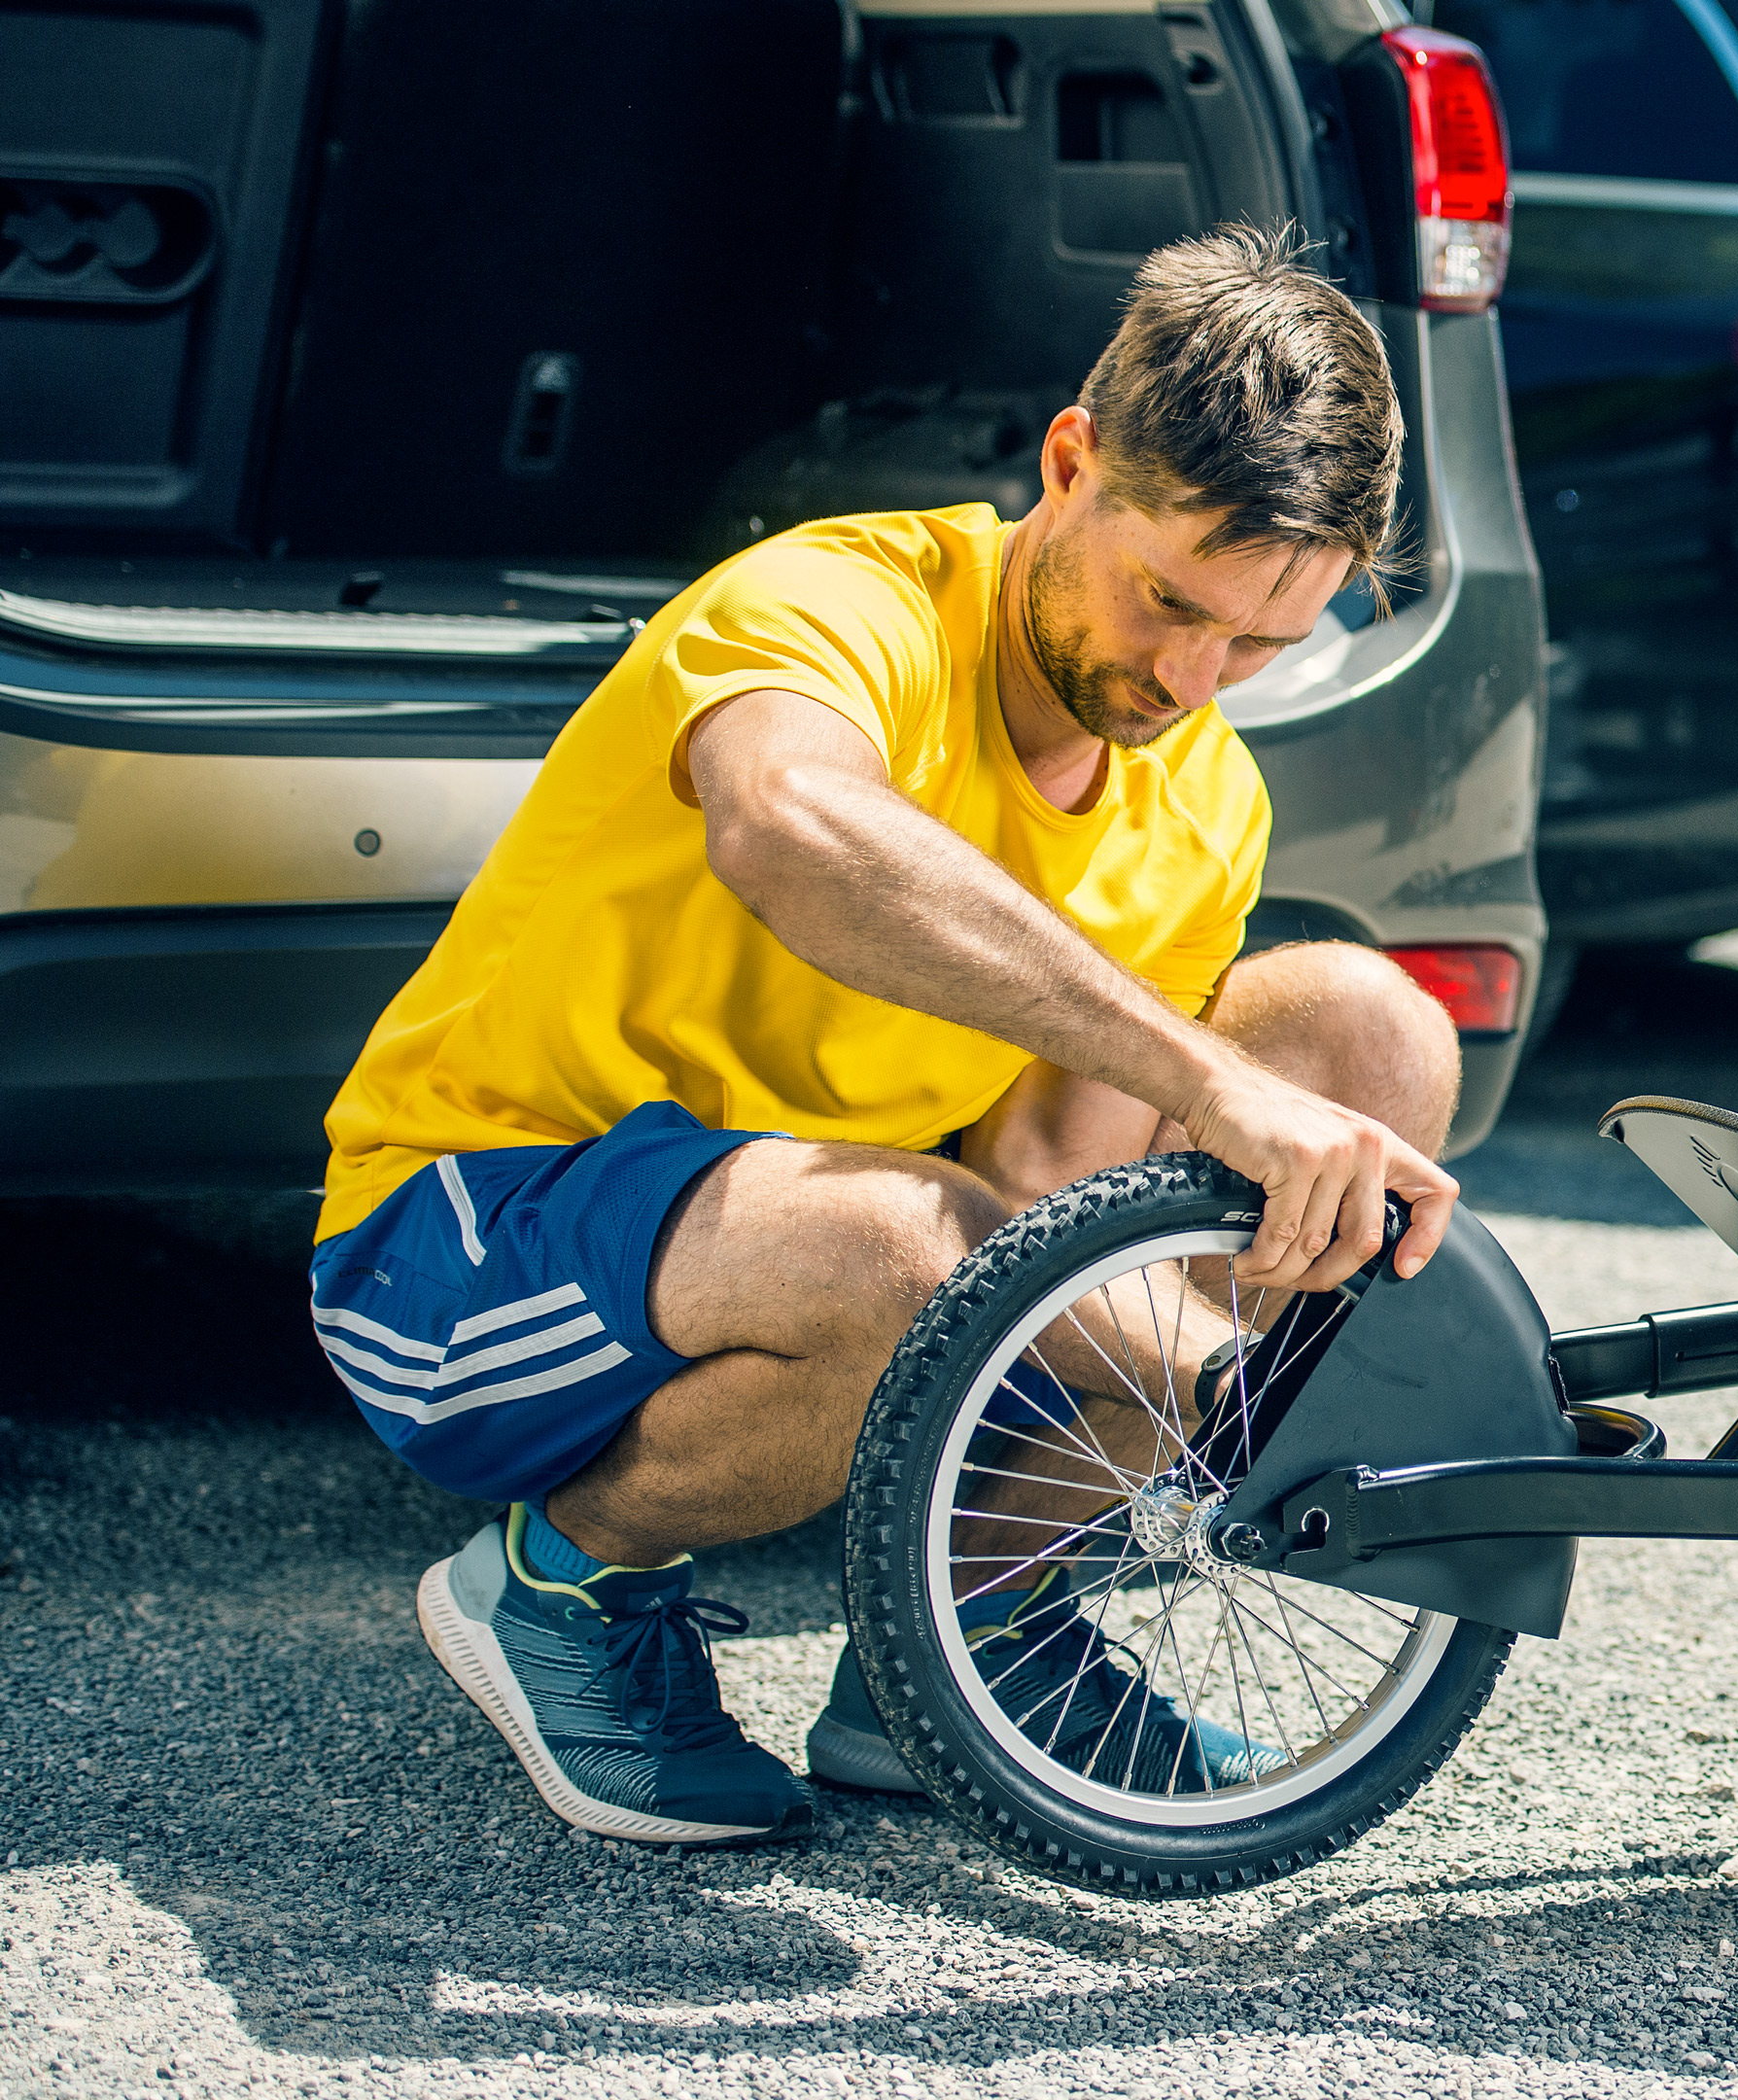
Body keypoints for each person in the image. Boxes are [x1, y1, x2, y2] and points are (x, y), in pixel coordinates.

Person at [305, 225, 1461, 1846]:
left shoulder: (1207, 802)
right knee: (907, 1248)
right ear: (1072, 462)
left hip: (857, 1232)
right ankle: (557, 1589)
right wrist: (1238, 1354)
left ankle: (957, 1649)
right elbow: (788, 829)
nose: (1194, 677)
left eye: (1264, 643)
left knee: (1358, 1033)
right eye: (1170, 602)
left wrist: (1230, 1376)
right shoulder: (836, 604)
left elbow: (1047, 1193)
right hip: (466, 1238)